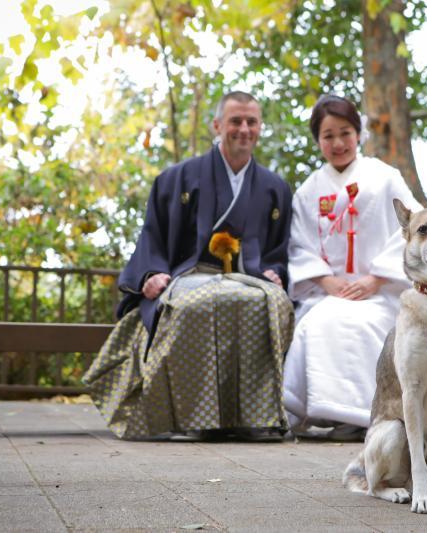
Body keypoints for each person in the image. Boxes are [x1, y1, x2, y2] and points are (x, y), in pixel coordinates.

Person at [84, 91, 294, 442]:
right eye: (235, 121)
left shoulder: (275, 188)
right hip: (190, 275)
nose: (244, 129)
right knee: (195, 305)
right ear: (217, 125)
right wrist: (151, 273)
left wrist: (276, 270)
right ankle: (195, 417)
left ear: (260, 127)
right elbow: (153, 235)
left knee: (269, 303)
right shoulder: (176, 179)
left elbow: (279, 248)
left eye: (251, 122)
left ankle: (256, 417)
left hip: (250, 279)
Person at [282, 95, 421, 440]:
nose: (338, 143)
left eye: (345, 133)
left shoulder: (385, 178)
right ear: (318, 140)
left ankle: (366, 415)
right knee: (315, 323)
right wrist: (327, 281)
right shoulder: (309, 191)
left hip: (381, 292)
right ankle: (331, 412)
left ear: (359, 133)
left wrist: (375, 278)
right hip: (329, 293)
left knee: (359, 323)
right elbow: (299, 244)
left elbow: (413, 226)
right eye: (328, 136)